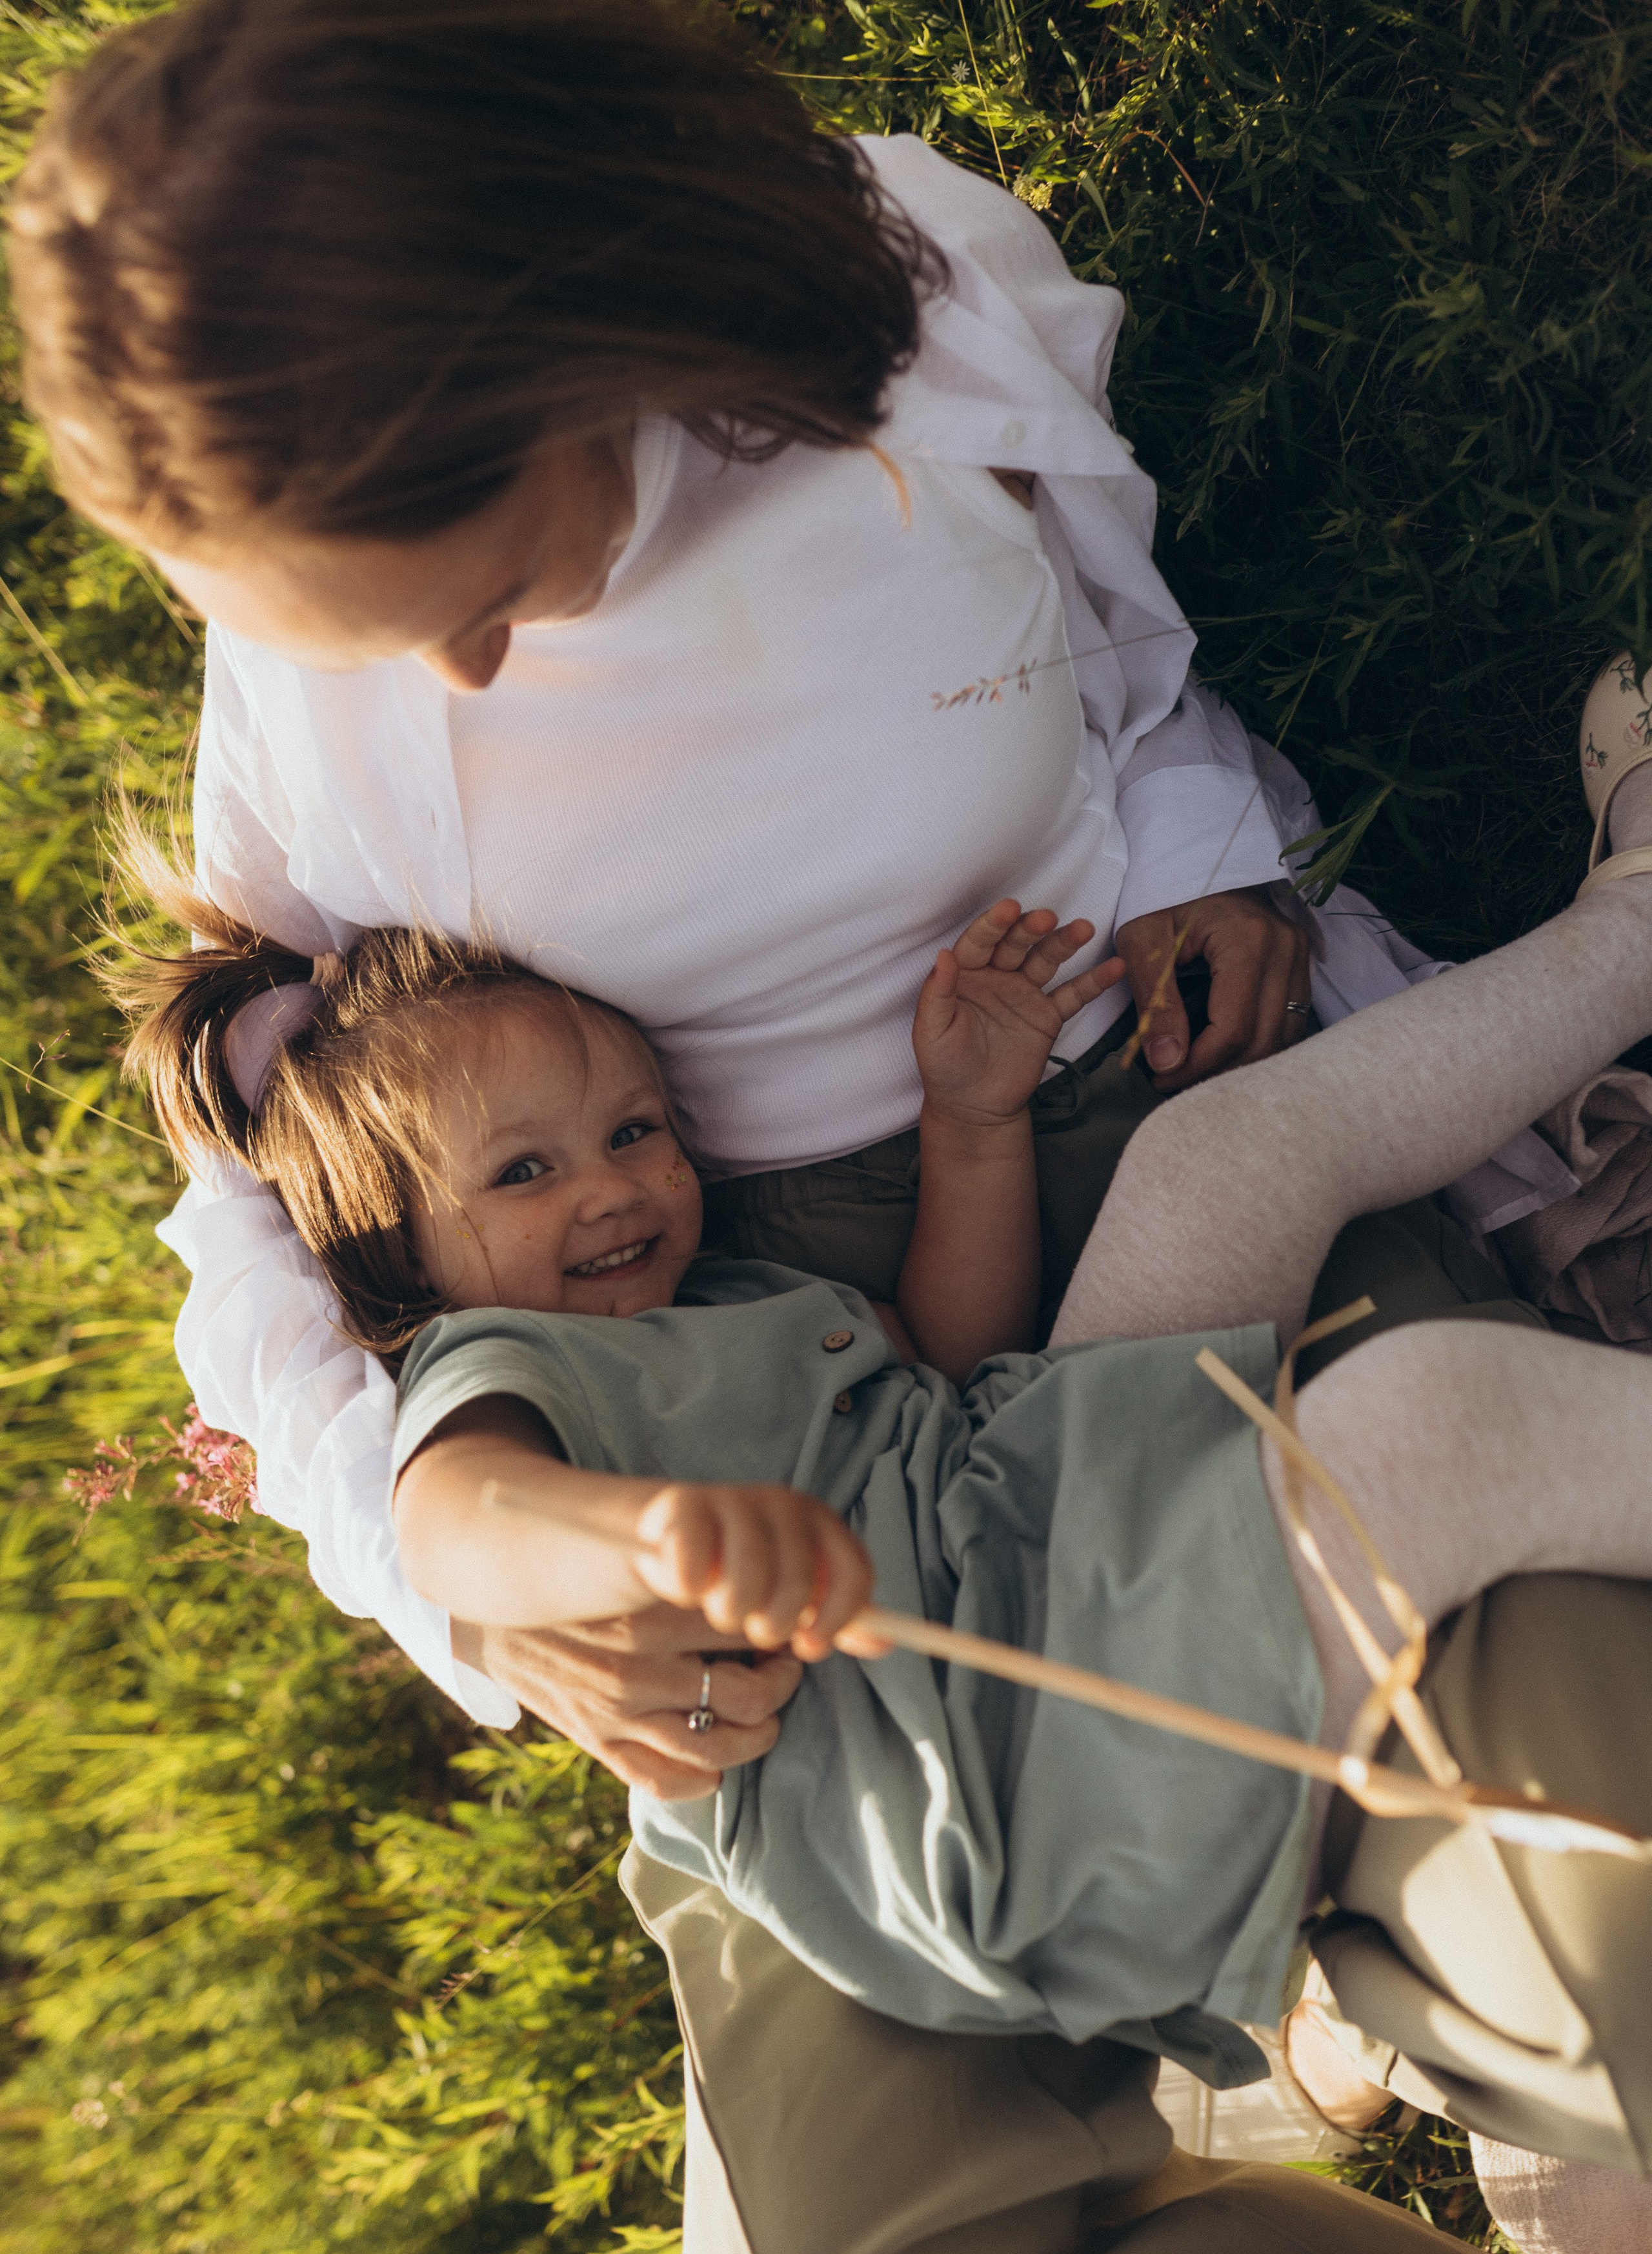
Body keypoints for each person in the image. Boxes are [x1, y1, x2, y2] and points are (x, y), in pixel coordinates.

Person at [6, 0, 1576, 1772]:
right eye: (364, 635)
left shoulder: (916, 322)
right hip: (753, 1325)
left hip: (1153, 1087)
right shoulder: (315, 660)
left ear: (595, 349)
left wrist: (1201, 845)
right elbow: (260, 1164)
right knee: (1038, 1817)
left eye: (486, 594)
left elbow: (1098, 663)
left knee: (1489, 1617)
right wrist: (468, 1587)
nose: (456, 677)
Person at [112, 753, 1652, 2254]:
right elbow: (464, 1530)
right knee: (1423, 1431)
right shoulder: (497, 1375)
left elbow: (954, 1347)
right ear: (403, 1256)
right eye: (524, 1173)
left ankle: (1631, 926)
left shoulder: (730, 1295)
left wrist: (970, 1127)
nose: (611, 1187)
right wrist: (638, 1540)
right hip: (1004, 1767)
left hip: (1035, 1506)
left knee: (1224, 1159)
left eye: (634, 1131)